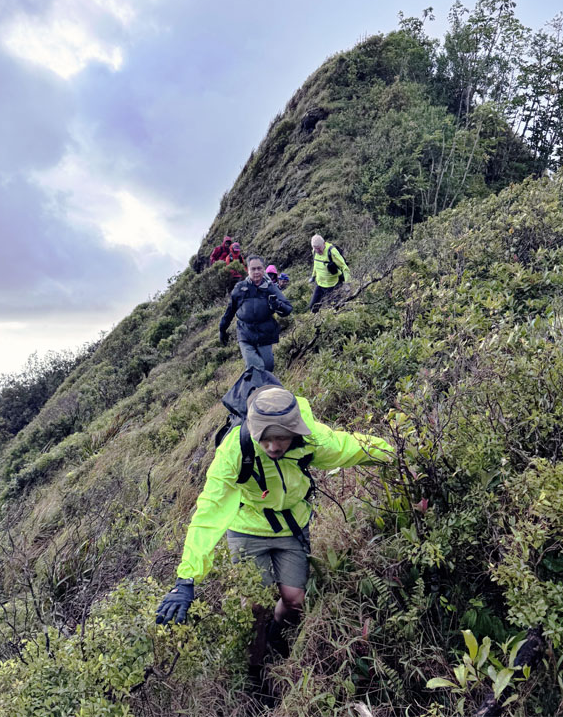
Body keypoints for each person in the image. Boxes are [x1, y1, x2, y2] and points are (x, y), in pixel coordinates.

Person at [155, 384, 393, 660]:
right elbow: (209, 511)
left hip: (291, 526)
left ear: (295, 431)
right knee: (255, 607)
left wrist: (395, 454)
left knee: (294, 601)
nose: (273, 447)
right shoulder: (235, 450)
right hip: (247, 529)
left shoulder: (312, 439)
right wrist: (187, 578)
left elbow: (350, 447)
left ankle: (276, 638)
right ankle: (254, 665)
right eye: (264, 439)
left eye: (281, 438)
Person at [219, 256, 291, 372]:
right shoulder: (240, 288)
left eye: (259, 268)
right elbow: (230, 311)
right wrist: (222, 329)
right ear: (248, 270)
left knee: (268, 367)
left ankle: (263, 383)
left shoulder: (271, 288)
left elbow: (288, 309)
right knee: (255, 367)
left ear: (263, 270)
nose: (256, 272)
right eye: (253, 269)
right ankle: (252, 382)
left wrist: (277, 305)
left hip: (265, 333)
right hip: (245, 333)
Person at [309, 234, 350, 313]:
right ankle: (318, 319)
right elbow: (316, 264)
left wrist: (347, 283)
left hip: (333, 285)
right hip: (320, 284)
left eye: (319, 248)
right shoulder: (314, 251)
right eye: (315, 249)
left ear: (324, 243)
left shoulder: (332, 251)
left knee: (335, 308)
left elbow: (344, 268)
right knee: (313, 307)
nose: (318, 251)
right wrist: (313, 276)